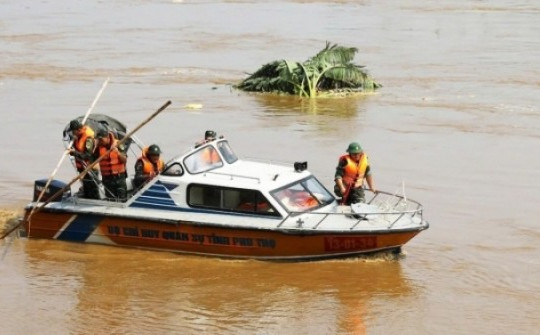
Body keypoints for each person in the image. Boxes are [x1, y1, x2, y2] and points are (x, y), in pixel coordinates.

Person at [68, 119, 100, 199]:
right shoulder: (78, 136)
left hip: (90, 168)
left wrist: (74, 152)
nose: (72, 133)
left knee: (92, 190)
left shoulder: (88, 138)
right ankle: (86, 200)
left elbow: (87, 155)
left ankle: (94, 205)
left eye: (73, 131)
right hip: (82, 169)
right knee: (86, 190)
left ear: (78, 130)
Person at [94, 127, 128, 201]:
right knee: (110, 200)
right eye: (98, 140)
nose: (100, 141)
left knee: (122, 199)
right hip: (107, 179)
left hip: (119, 178)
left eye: (101, 139)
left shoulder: (118, 144)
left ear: (107, 137)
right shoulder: (98, 147)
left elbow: (124, 160)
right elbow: (92, 159)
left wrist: (118, 153)